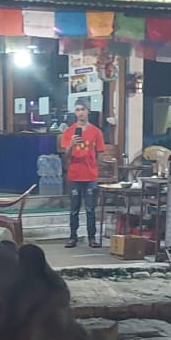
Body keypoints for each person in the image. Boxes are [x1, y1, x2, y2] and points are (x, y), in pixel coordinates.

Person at [59, 101, 106, 248]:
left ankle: (91, 237)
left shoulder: (96, 132)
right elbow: (65, 157)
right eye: (78, 110)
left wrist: (95, 168)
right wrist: (72, 145)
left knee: (91, 209)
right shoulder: (68, 132)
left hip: (90, 176)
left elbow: (100, 154)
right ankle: (73, 237)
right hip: (74, 176)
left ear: (88, 111)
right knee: (74, 209)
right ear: (75, 113)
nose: (80, 112)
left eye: (83, 109)